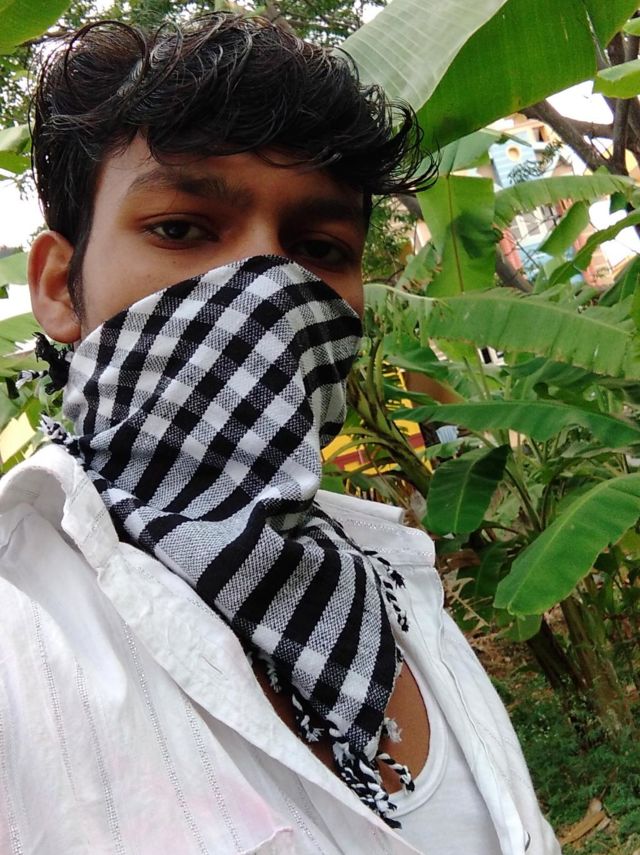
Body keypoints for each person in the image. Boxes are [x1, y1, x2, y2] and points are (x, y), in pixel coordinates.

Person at [0, 13, 561, 855]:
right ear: (58, 286)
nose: (266, 286)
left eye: (318, 247)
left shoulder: (398, 587)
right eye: (181, 228)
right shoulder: (18, 640)